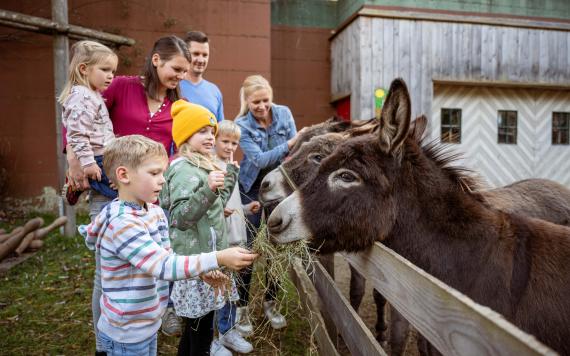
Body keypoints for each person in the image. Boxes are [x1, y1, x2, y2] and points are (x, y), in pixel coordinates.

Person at [64, 35, 191, 353]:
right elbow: (80, 115)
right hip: (110, 190)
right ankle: (104, 342)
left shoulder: (176, 106)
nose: (181, 76)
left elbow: (174, 150)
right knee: (105, 272)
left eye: (184, 71)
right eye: (176, 68)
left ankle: (139, 327)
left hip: (149, 198)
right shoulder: (120, 86)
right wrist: (73, 158)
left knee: (148, 266)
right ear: (157, 60)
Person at [79, 134, 257, 356]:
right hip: (126, 331)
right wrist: (218, 258)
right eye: (154, 173)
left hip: (148, 322)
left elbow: (167, 255)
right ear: (123, 175)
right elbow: (162, 265)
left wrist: (200, 273)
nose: (163, 180)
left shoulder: (153, 212)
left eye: (162, 172)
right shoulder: (122, 224)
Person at [159, 100, 240, 355]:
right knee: (200, 335)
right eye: (202, 131)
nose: (210, 137)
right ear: (185, 134)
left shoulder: (202, 164)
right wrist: (208, 189)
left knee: (197, 331)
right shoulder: (184, 169)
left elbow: (213, 205)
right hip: (196, 264)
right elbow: (181, 218)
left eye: (211, 132)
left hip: (209, 260)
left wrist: (229, 178)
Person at [235, 75, 305, 330]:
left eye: (265, 100)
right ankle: (241, 308)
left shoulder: (284, 114)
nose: (262, 106)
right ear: (247, 101)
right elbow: (260, 161)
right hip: (252, 187)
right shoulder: (241, 124)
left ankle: (270, 303)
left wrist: (291, 148)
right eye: (256, 102)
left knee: (276, 245)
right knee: (248, 247)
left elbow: (295, 153)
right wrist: (288, 143)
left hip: (279, 188)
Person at [211, 120, 261, 355]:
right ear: (214, 140)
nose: (231, 146)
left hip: (236, 233)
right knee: (217, 287)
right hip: (220, 238)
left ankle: (228, 329)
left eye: (235, 142)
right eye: (225, 141)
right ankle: (214, 337)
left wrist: (246, 206)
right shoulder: (211, 166)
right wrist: (219, 210)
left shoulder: (231, 165)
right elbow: (211, 203)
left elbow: (232, 201)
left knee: (232, 286)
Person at [60, 40, 118, 205]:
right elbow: (77, 134)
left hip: (103, 154)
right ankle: (77, 184)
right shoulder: (81, 96)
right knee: (120, 191)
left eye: (113, 71)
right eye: (105, 69)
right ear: (84, 69)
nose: (110, 75)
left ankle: (80, 185)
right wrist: (88, 163)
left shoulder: (93, 93)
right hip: (96, 158)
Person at [179, 31, 224, 122]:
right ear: (185, 54)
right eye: (196, 54)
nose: (201, 60)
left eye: (205, 55)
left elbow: (220, 128)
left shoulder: (214, 91)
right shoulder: (173, 85)